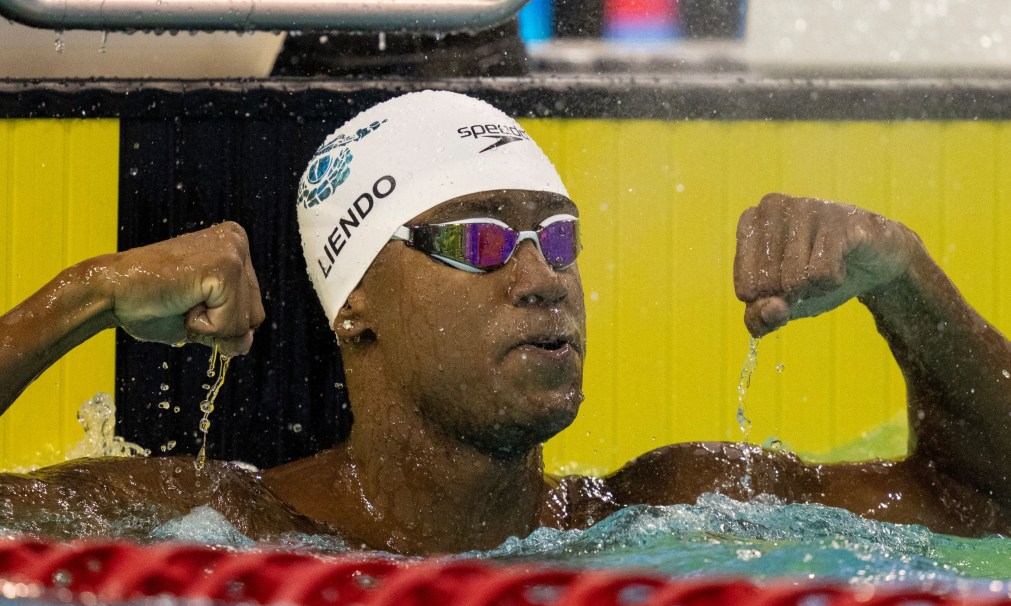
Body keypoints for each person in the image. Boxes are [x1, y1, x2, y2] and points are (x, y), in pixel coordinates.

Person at [1, 91, 1009, 554]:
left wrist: (904, 274)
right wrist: (83, 295)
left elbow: (980, 505)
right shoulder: (216, 525)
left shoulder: (672, 509)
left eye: (559, 238)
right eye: (478, 242)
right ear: (356, 308)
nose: (543, 278)